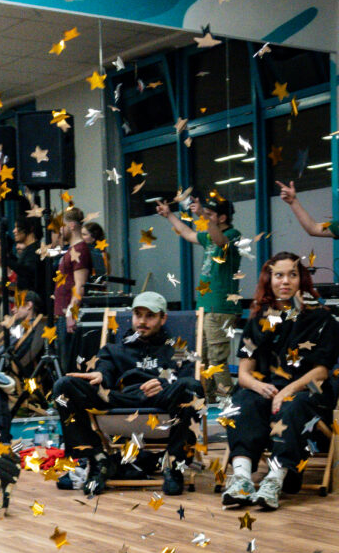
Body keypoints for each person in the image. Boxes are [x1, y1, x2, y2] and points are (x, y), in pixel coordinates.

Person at [51, 292, 205, 496]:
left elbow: (189, 380)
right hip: (121, 400)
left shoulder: (177, 349)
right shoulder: (114, 349)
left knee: (193, 388)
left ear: (163, 318)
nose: (142, 321)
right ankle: (97, 459)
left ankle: (174, 465)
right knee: (64, 386)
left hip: (161, 401)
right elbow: (104, 370)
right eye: (137, 314)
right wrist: (100, 374)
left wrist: (165, 383)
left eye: (150, 316)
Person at [221, 252, 339, 511]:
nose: (285, 281)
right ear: (269, 280)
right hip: (267, 391)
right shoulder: (258, 320)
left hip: (309, 390)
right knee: (242, 400)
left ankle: (275, 480)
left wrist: (286, 391)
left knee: (293, 404)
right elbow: (244, 373)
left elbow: (321, 372)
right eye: (279, 275)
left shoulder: (322, 319)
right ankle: (241, 478)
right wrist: (258, 386)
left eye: (292, 275)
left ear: (302, 280)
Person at [155, 194, 240, 400]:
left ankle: (227, 402)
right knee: (202, 359)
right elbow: (188, 233)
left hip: (220, 308)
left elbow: (221, 242)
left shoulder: (233, 234)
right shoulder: (209, 236)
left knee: (217, 360)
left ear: (222, 218)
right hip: (205, 307)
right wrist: (169, 215)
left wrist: (202, 214)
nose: (205, 218)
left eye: (210, 215)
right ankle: (209, 400)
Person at [52, 207, 92, 330]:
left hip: (68, 315)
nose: (60, 230)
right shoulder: (72, 250)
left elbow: (80, 285)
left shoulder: (80, 250)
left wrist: (71, 313)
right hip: (62, 314)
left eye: (62, 226)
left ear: (72, 225)